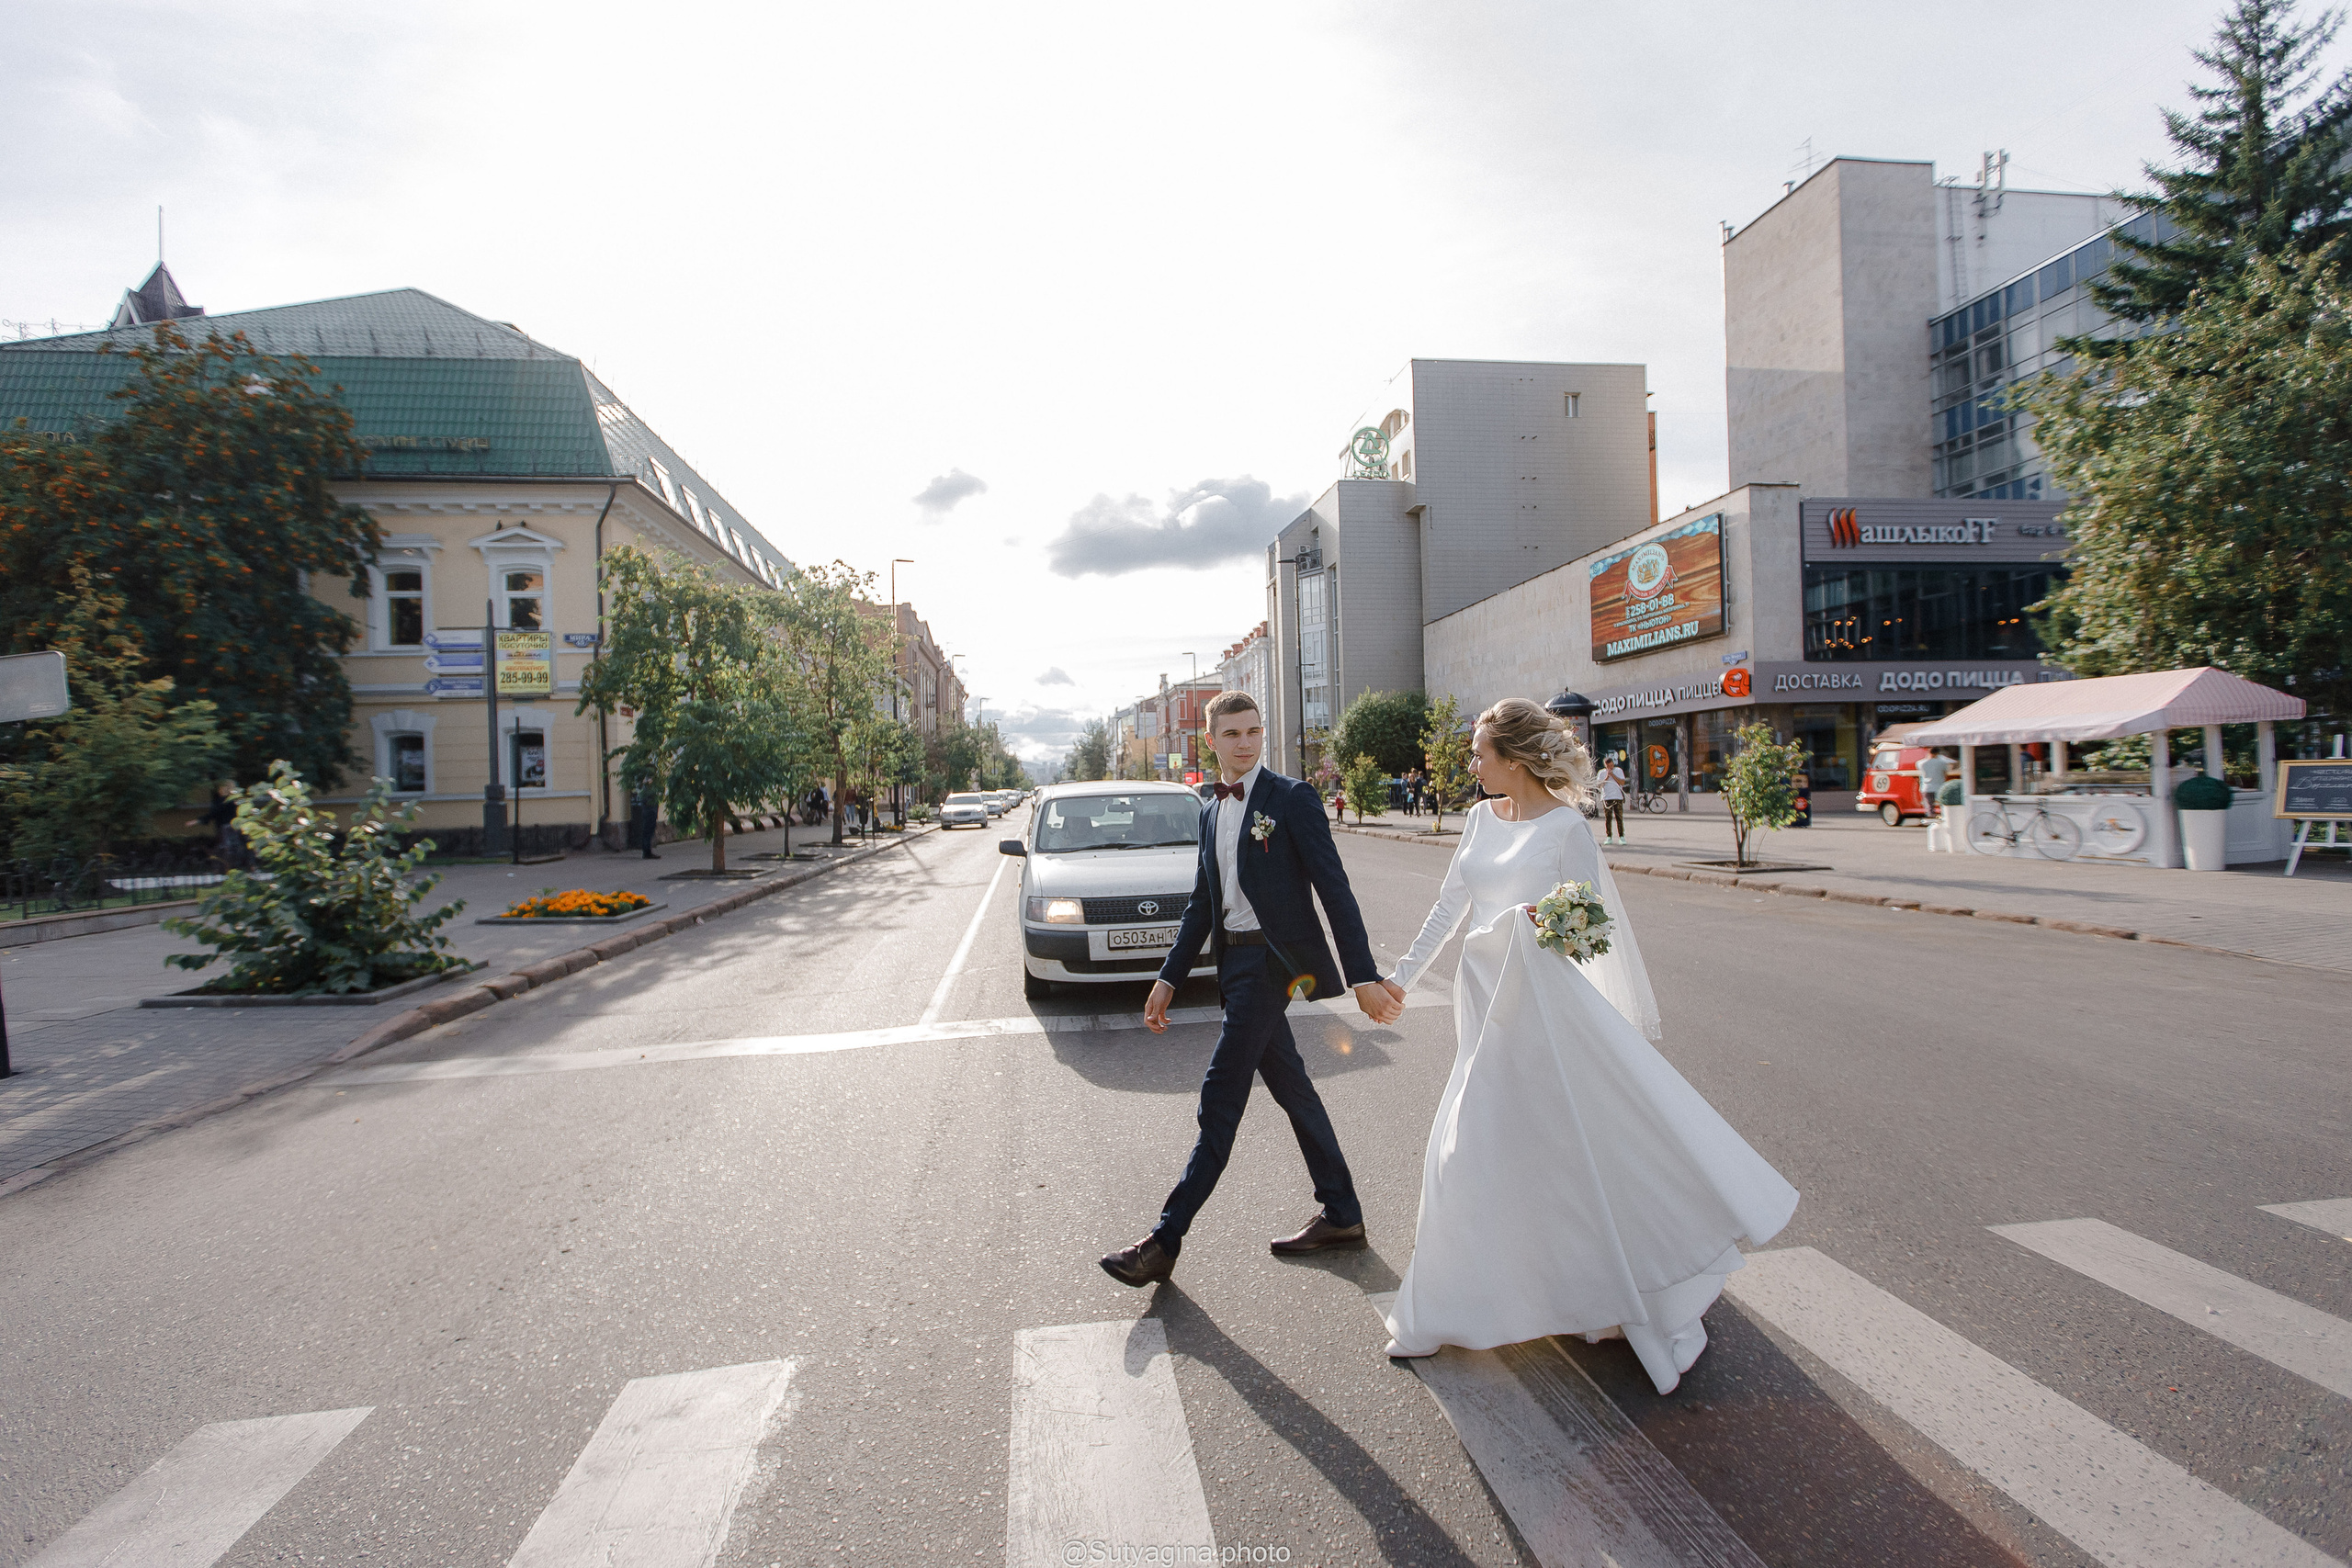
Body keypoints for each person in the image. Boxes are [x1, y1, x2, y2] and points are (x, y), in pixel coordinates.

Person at [1376, 697, 1798, 1393]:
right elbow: (1448, 908)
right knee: (1492, 1147)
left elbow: (1589, 927)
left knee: (1489, 1146)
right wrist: (1399, 979)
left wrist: (1533, 926)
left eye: (1480, 752)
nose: (1472, 764)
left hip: (1541, 1016)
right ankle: (1508, 1290)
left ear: (1514, 759)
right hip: (1483, 1008)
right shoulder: (1479, 820)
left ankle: (1468, 1306)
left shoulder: (1568, 827)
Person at [1100, 692, 1406, 1288]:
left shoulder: (1289, 800)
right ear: (1209, 740)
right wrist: (1168, 976)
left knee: (1219, 1098)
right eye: (1233, 733)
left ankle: (1164, 1240)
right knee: (1293, 1088)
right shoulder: (1211, 811)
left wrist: (1363, 975)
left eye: (1254, 730)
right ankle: (1342, 1212)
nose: (1246, 741)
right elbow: (1201, 906)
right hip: (1233, 968)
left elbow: (1334, 889)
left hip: (1270, 966)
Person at [1598, 752, 1629, 844]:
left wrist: (1613, 776)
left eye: (1611, 765)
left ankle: (1622, 836)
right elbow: (1599, 785)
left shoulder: (1618, 770)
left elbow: (1622, 783)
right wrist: (1607, 777)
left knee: (1619, 817)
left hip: (1617, 797)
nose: (1610, 768)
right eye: (1608, 766)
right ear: (1605, 766)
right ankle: (1609, 836)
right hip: (1607, 797)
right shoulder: (1602, 773)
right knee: (1608, 818)